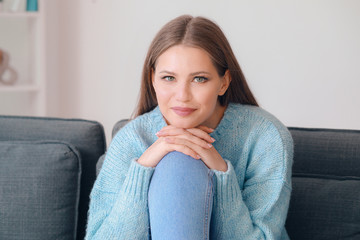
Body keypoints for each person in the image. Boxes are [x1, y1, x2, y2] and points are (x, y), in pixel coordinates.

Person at [85, 15, 293, 240]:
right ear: (153, 79)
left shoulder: (265, 136)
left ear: (223, 82)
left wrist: (220, 172)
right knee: (175, 165)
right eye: (168, 78)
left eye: (199, 79)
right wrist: (144, 166)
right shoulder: (130, 139)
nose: (182, 96)